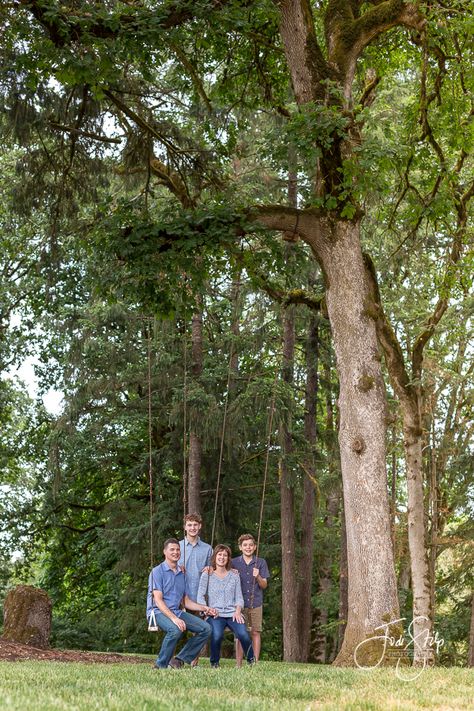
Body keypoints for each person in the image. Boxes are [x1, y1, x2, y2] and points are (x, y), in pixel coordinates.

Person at [146, 538, 215, 669]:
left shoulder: (182, 574)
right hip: (158, 612)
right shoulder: (157, 571)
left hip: (176, 611)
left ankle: (179, 660)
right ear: (164, 552)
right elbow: (158, 600)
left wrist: (205, 608)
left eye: (178, 550)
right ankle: (160, 665)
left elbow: (186, 601)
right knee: (175, 629)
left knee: (206, 629)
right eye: (172, 549)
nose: (176, 552)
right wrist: (174, 619)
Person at [197, 544, 256, 669]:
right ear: (215, 557)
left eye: (225, 555)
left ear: (228, 558)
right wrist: (207, 610)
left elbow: (239, 597)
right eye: (219, 554)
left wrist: (238, 611)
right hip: (215, 614)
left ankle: (251, 661)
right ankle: (214, 663)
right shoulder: (207, 575)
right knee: (217, 635)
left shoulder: (234, 576)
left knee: (243, 634)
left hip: (232, 613)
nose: (222, 557)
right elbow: (200, 596)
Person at [178, 512, 213, 666]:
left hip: (199, 596)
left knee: (199, 629)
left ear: (200, 527)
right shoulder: (177, 546)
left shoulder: (207, 548)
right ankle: (173, 659)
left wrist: (209, 568)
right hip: (181, 595)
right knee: (177, 629)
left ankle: (194, 662)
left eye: (195, 525)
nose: (192, 528)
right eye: (189, 525)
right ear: (185, 527)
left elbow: (213, 569)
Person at [231, 533, 270, 667]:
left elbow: (264, 585)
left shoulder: (260, 562)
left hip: (256, 603)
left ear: (255, 547)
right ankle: (238, 664)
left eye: (251, 545)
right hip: (239, 605)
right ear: (240, 547)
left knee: (255, 632)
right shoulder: (234, 563)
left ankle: (255, 663)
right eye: (245, 545)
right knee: (240, 634)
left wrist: (258, 575)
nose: (248, 547)